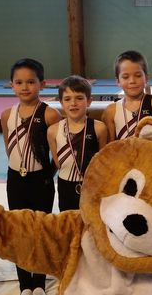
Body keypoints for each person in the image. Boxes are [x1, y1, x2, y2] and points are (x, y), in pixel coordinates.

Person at [0, 58, 61, 295]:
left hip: (41, 181)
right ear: (11, 85)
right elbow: (9, 146)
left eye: (31, 82)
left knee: (40, 230)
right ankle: (25, 282)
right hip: (15, 179)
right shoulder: (7, 115)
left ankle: (39, 281)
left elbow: (58, 153)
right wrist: (18, 168)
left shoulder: (50, 115)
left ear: (42, 84)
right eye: (19, 82)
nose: (25, 87)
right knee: (19, 230)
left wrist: (47, 175)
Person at [47, 75, 107, 211]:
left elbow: (103, 162)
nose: (73, 103)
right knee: (69, 224)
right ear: (61, 103)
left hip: (92, 185)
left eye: (79, 98)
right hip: (65, 185)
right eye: (67, 99)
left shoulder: (99, 128)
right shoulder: (53, 131)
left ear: (89, 101)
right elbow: (57, 163)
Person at [102, 50, 152, 144]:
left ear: (146, 78)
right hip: (124, 157)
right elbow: (110, 145)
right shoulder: (111, 111)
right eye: (125, 77)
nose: (132, 81)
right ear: (118, 81)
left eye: (138, 75)